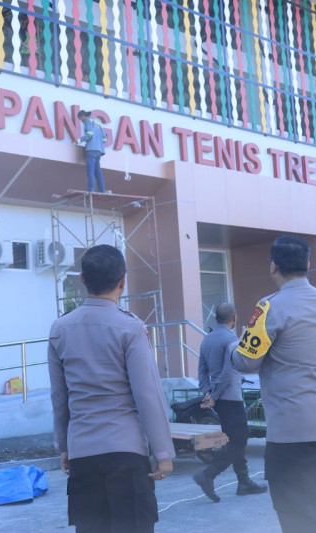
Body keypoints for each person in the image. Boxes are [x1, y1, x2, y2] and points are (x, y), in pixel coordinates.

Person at [48, 244, 174, 533]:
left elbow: (59, 396)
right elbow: (148, 395)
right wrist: (163, 452)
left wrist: (65, 445)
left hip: (82, 454)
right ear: (122, 281)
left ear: (82, 279)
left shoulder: (59, 329)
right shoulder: (130, 328)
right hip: (126, 452)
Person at [231, 235, 316, 533]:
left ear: (273, 266)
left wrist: (234, 346)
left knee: (297, 512)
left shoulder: (270, 307)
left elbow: (245, 361)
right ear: (308, 264)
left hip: (292, 428)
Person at [192, 302, 267, 502]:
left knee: (234, 438)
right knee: (240, 439)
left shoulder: (207, 340)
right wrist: (214, 395)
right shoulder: (231, 340)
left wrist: (208, 392)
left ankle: (244, 482)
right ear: (234, 318)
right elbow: (228, 371)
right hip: (229, 398)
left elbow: (202, 371)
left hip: (218, 399)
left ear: (216, 318)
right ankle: (208, 475)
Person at [76, 110, 108, 193]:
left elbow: (89, 134)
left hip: (91, 149)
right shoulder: (97, 123)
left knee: (90, 171)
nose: (81, 121)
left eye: (80, 119)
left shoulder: (87, 121)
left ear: (83, 116)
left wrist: (79, 140)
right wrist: (98, 142)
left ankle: (91, 189)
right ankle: (102, 191)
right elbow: (104, 138)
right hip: (99, 151)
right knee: (98, 172)